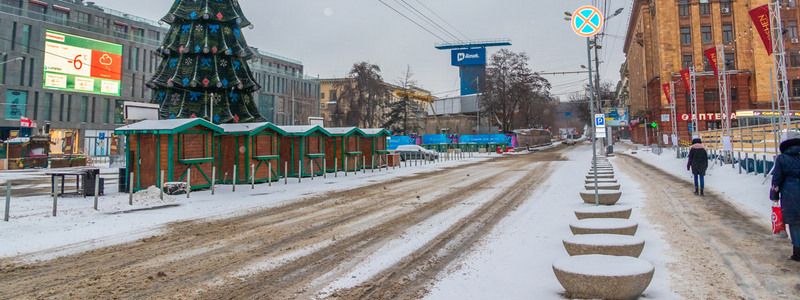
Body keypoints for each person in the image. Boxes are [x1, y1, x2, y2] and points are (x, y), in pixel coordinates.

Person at [770, 131, 800, 262]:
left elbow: (776, 179)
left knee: (794, 223)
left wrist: (774, 195)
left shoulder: (782, 158)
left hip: (790, 192)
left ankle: (797, 252)